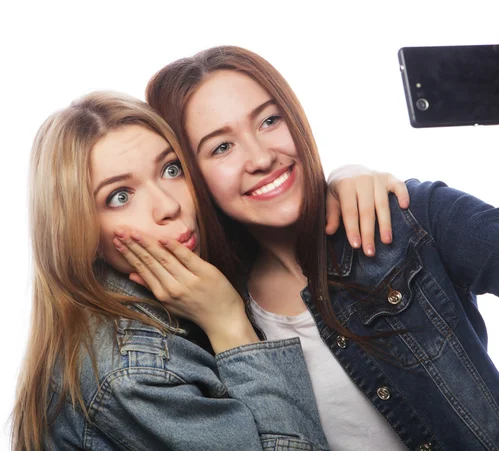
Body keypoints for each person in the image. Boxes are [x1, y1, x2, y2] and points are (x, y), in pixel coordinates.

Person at [131, 29, 499, 450]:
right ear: (190, 175)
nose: (260, 157)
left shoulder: (406, 217)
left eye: (270, 120)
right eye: (221, 147)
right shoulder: (200, 320)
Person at [11, 91, 408, 450]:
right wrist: (230, 325)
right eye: (119, 196)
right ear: (79, 233)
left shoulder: (195, 279)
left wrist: (344, 180)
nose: (168, 206)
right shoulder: (135, 376)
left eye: (170, 170)